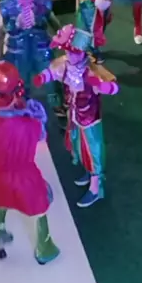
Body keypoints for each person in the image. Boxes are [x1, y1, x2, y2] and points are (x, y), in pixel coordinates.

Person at [0, 61, 59, 263]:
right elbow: (41, 139)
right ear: (18, 94)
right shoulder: (32, 123)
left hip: (1, 177)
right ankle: (44, 249)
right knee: (40, 210)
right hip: (27, 177)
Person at [34, 24, 118, 207]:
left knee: (94, 150)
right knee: (79, 146)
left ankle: (96, 187)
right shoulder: (66, 65)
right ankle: (88, 171)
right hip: (74, 115)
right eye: (68, 52)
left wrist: (100, 86)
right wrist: (42, 77)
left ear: (82, 53)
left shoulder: (91, 71)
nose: (70, 56)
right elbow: (53, 72)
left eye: (73, 52)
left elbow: (113, 87)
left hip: (90, 120)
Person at [0, 0, 53, 93]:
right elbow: (3, 29)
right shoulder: (8, 7)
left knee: (48, 74)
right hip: (19, 48)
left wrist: (62, 38)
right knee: (21, 77)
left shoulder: (41, 1)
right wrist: (0, 53)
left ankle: (53, 97)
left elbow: (51, 20)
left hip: (40, 45)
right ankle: (23, 96)